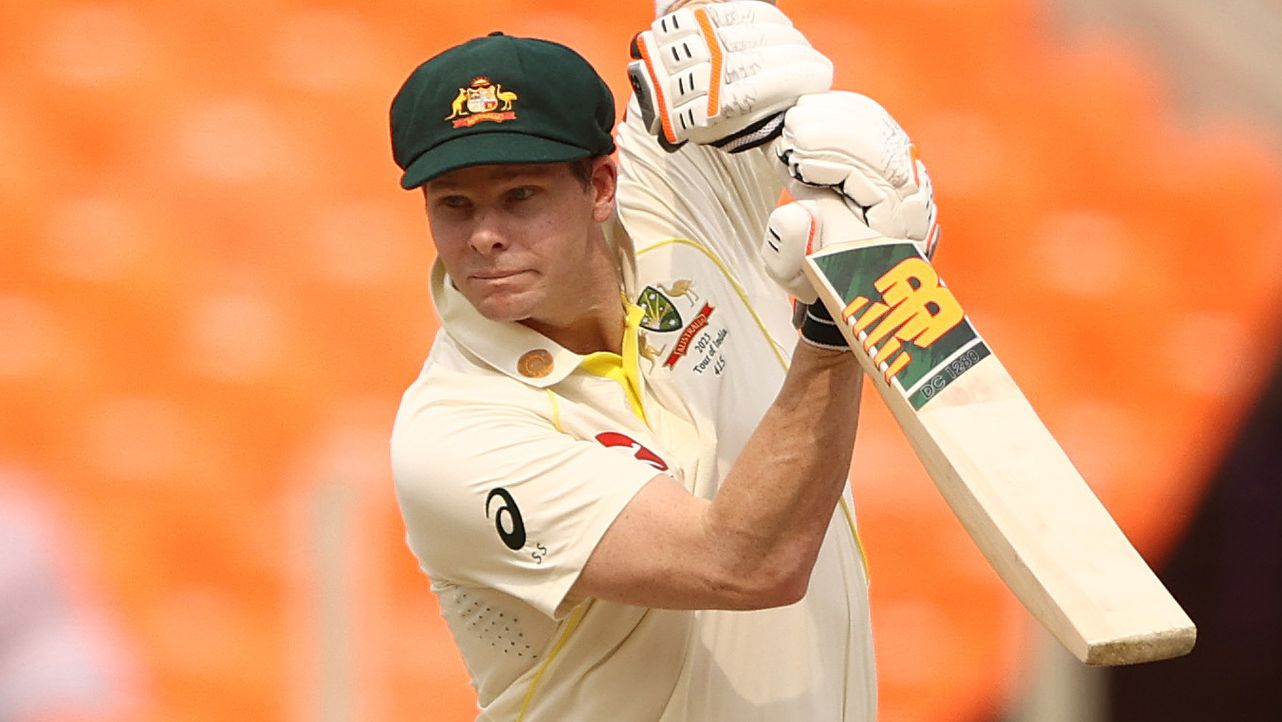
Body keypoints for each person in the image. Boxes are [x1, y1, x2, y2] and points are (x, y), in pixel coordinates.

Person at [388, 2, 936, 719]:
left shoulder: (677, 196)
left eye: (520, 196)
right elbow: (744, 565)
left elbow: (710, 38)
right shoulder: (453, 436)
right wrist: (836, 325)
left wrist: (737, 27)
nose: (484, 235)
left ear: (602, 187)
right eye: (453, 204)